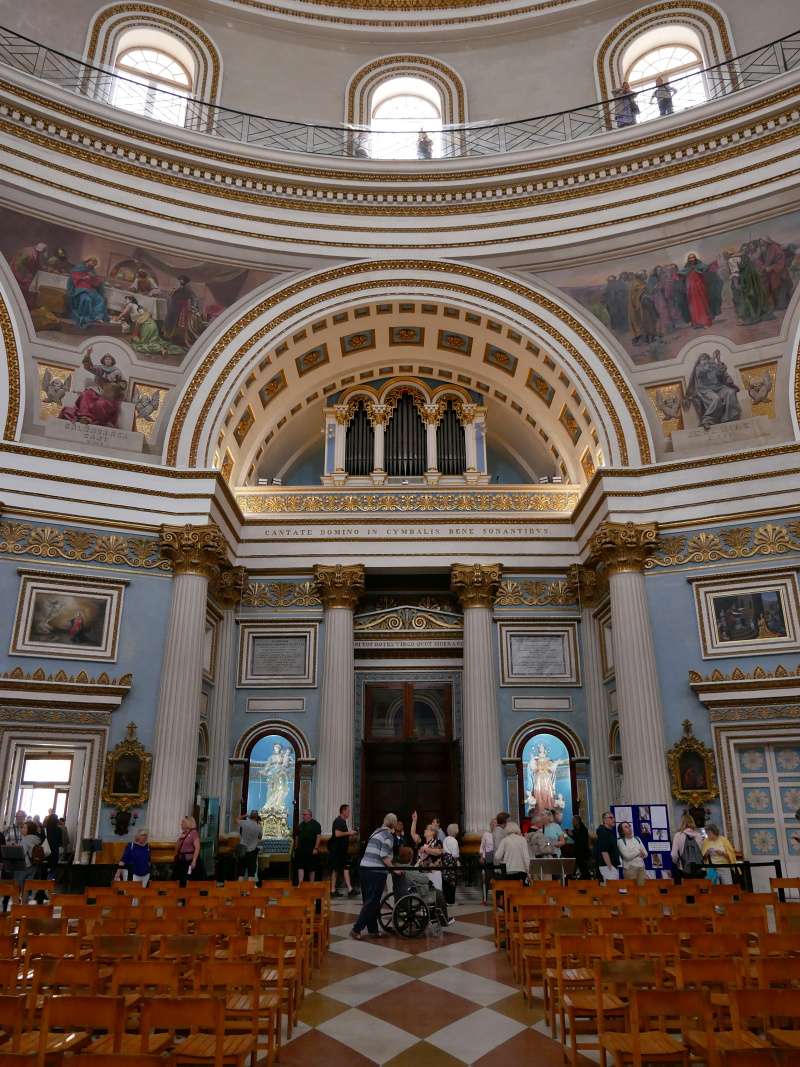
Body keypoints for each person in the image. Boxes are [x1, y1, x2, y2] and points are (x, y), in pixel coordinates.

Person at [351, 813, 397, 940]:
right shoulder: (388, 835)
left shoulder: (376, 832)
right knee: (372, 902)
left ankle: (373, 930)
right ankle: (356, 929)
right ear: (393, 824)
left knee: (369, 901)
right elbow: (384, 856)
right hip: (376, 871)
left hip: (364, 868)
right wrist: (395, 870)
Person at [395, 846, 454, 926]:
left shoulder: (397, 867)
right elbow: (424, 879)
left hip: (401, 893)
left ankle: (430, 917)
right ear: (410, 858)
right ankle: (444, 920)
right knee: (438, 893)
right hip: (414, 894)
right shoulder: (409, 869)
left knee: (432, 891)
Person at [67, 257, 109, 327]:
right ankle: (85, 318)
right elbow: (74, 278)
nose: (93, 265)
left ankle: (98, 317)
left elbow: (96, 283)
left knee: (100, 299)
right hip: (80, 289)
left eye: (94, 264)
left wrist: (93, 277)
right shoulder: (79, 268)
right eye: (92, 263)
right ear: (88, 261)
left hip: (90, 289)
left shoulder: (92, 270)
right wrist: (83, 277)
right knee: (87, 300)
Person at [329, 803, 358, 897]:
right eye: (348, 811)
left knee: (344, 868)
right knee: (336, 870)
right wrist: (349, 833)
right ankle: (333, 890)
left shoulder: (342, 821)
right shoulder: (338, 821)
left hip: (341, 851)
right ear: (343, 811)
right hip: (337, 851)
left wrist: (349, 834)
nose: (349, 813)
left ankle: (349, 889)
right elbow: (337, 834)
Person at [671, 814, 706, 882]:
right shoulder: (699, 835)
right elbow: (702, 852)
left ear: (682, 823)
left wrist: (675, 862)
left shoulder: (678, 835)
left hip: (684, 869)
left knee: (687, 888)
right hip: (699, 869)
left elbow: (674, 855)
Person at [294, 809, 322, 884]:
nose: (303, 816)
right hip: (301, 850)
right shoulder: (300, 825)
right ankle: (300, 884)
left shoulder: (316, 824)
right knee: (300, 867)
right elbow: (297, 836)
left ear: (310, 815)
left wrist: (316, 848)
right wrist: (296, 846)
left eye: (305, 814)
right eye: (303, 815)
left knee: (311, 868)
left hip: (311, 849)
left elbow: (318, 837)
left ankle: (311, 884)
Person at [617, 821, 647, 886]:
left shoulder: (637, 838)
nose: (629, 828)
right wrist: (638, 852)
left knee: (642, 890)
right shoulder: (620, 841)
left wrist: (635, 853)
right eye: (626, 827)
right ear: (622, 831)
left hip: (641, 868)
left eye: (629, 826)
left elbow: (645, 854)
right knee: (632, 890)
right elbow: (627, 857)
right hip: (629, 869)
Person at [173, 816, 201, 887]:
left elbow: (197, 848)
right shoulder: (183, 833)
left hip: (189, 862)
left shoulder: (194, 833)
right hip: (181, 862)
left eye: (183, 822)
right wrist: (180, 839)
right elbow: (176, 848)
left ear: (188, 823)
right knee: (180, 881)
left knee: (188, 880)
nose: (181, 824)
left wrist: (194, 860)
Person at [417, 825, 444, 892]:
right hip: (423, 873)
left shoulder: (437, 841)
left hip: (434, 873)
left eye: (427, 829)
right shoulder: (423, 843)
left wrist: (426, 849)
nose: (424, 830)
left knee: (436, 893)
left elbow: (438, 852)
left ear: (433, 832)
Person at [237, 811, 263, 882]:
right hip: (252, 851)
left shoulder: (245, 823)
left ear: (250, 816)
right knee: (251, 873)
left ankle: (239, 888)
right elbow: (260, 837)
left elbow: (236, 819)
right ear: (257, 817)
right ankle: (249, 888)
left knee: (241, 872)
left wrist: (245, 815)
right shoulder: (258, 827)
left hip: (243, 849)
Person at [594, 811, 620, 882]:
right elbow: (604, 851)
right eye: (611, 818)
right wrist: (610, 867)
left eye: (613, 817)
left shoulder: (609, 832)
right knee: (612, 886)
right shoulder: (603, 832)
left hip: (611, 865)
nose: (613, 819)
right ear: (604, 820)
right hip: (606, 866)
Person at [568, 815, 592, 879]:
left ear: (577, 821)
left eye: (574, 821)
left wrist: (572, 835)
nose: (572, 822)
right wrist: (570, 834)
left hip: (582, 853)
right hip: (577, 852)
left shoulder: (583, 829)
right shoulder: (576, 830)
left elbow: (580, 841)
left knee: (583, 868)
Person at [442, 823, 460, 905]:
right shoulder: (454, 841)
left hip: (445, 861)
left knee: (446, 881)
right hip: (451, 862)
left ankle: (446, 900)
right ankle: (451, 901)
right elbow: (455, 855)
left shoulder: (445, 839)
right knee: (452, 882)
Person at [479, 818, 496, 904]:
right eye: (492, 824)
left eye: (495, 824)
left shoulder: (499, 834)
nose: (493, 825)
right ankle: (484, 898)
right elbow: (482, 847)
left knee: (497, 878)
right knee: (486, 879)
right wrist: (482, 857)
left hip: (497, 858)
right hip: (488, 858)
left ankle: (497, 898)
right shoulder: (486, 834)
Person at [43, 810, 62, 879]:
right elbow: (60, 842)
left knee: (44, 869)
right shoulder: (59, 830)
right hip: (55, 852)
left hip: (46, 851)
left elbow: (42, 840)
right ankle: (49, 882)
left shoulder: (45, 829)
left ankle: (42, 883)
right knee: (52, 870)